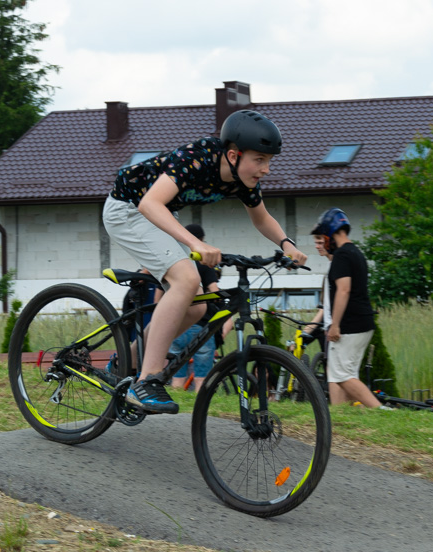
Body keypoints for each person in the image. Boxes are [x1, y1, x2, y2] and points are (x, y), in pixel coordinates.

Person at [103, 110, 307, 414]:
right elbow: (149, 203)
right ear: (234, 154)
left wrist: (286, 244)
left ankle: (125, 362)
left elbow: (261, 217)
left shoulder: (243, 179)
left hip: (158, 214)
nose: (265, 169)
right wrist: (195, 242)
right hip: (129, 209)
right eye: (260, 160)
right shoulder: (195, 159)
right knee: (187, 280)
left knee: (197, 306)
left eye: (269, 161)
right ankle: (145, 381)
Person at [310, 207, 383, 408]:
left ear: (332, 232)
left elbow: (344, 290)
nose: (323, 241)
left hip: (350, 325)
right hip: (363, 322)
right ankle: (342, 417)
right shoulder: (356, 253)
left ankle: (383, 411)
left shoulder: (342, 255)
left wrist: (335, 325)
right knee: (341, 373)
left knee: (343, 376)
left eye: (324, 236)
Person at [169, 224, 218, 392]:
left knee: (176, 376)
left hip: (177, 326)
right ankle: (199, 410)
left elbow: (158, 299)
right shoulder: (203, 264)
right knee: (201, 378)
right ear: (202, 240)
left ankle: (178, 408)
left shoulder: (174, 264)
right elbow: (214, 291)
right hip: (201, 326)